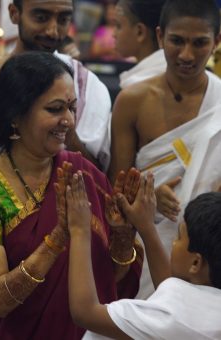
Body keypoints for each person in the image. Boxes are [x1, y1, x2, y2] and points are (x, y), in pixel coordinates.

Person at [0, 51, 143, 340]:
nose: (68, 121)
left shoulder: (84, 175)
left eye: (72, 107)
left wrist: (122, 236)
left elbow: (111, 279)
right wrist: (57, 239)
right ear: (16, 116)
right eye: (55, 109)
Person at [108, 0, 221, 298]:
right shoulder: (132, 101)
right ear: (159, 37)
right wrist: (148, 197)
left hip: (209, 258)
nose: (187, 54)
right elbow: (115, 190)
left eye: (199, 43)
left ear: (217, 41)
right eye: (177, 41)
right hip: (145, 245)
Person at [0, 0, 112, 170]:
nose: (53, 31)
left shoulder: (86, 83)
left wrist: (66, 131)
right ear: (15, 13)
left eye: (63, 20)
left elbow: (97, 179)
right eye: (41, 18)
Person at [67, 171, 221, 339]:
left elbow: (86, 312)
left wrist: (79, 230)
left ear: (196, 263)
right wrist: (145, 226)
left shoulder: (174, 321)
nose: (173, 244)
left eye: (178, 238)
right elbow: (171, 289)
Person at [114, 0, 167, 89]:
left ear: (140, 32)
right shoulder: (170, 73)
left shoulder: (138, 86)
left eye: (118, 26)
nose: (114, 34)